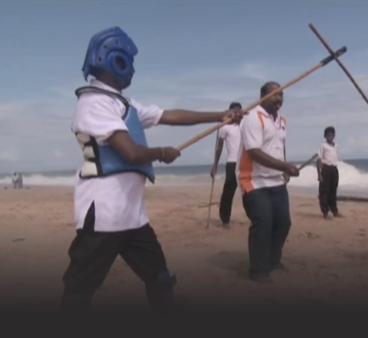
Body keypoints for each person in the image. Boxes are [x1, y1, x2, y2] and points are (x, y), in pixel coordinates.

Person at [61, 26, 241, 313]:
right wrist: (161, 153)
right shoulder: (93, 103)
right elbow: (130, 152)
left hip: (132, 215)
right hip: (104, 215)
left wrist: (220, 116)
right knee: (79, 289)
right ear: (115, 61)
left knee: (159, 275)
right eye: (128, 62)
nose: (132, 69)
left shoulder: (124, 103)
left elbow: (169, 115)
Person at [239, 81, 300, 283]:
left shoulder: (281, 120)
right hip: (254, 182)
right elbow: (254, 152)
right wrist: (284, 166)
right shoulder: (252, 117)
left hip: (276, 181)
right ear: (262, 96)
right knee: (263, 223)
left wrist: (284, 169)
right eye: (274, 95)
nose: (279, 99)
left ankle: (273, 261)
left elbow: (280, 147)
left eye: (281, 95)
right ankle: (258, 270)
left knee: (283, 223)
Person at [210, 102, 242, 228]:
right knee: (229, 191)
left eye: (238, 111)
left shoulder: (245, 125)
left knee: (250, 192)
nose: (236, 114)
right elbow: (219, 147)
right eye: (234, 112)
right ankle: (225, 219)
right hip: (232, 163)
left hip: (244, 162)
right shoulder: (225, 127)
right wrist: (215, 165)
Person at [317, 126, 341, 219]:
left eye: (331, 134)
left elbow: (336, 158)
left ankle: (334, 210)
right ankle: (325, 212)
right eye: (328, 135)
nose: (330, 136)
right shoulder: (323, 146)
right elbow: (318, 160)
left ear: (334, 135)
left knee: (333, 191)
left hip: (334, 169)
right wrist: (319, 174)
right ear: (325, 136)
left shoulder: (336, 146)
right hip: (325, 169)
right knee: (324, 191)